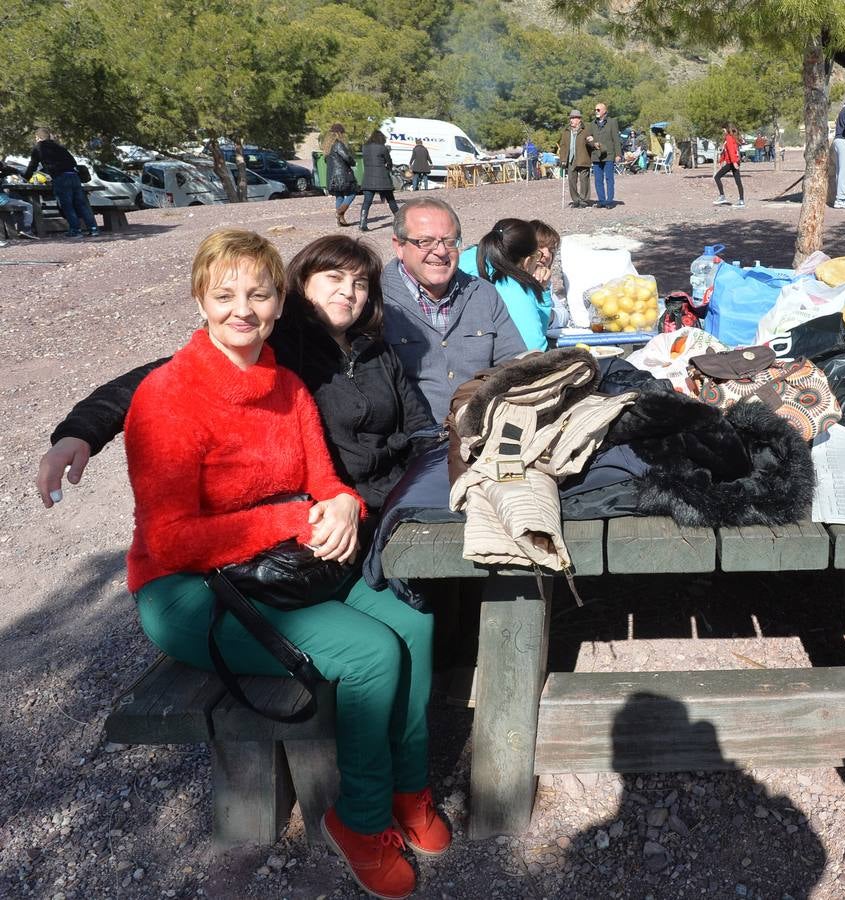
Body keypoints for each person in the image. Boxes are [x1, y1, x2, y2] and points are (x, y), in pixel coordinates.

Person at [117, 229, 449, 900]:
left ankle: (407, 788)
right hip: (187, 589)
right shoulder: (169, 396)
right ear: (200, 300)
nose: (243, 309)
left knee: (414, 625)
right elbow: (173, 540)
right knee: (368, 654)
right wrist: (297, 518)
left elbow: (327, 482)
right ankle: (357, 820)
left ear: (278, 303)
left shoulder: (286, 386)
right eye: (226, 295)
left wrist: (342, 506)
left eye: (258, 295)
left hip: (281, 565)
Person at [38, 233, 442, 526]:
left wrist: (428, 481)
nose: (348, 292)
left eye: (359, 283)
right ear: (300, 286)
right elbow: (159, 377)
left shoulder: (376, 351)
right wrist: (79, 433)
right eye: (333, 279)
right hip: (339, 507)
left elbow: (419, 426)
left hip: (398, 496)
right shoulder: (277, 343)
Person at [380, 197, 527, 421]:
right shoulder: (376, 300)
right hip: (413, 444)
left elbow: (516, 365)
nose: (440, 251)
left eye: (449, 241)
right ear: (399, 246)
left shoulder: (482, 294)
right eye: (425, 242)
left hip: (481, 434)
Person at [458, 218, 554, 351]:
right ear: (527, 262)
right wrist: (541, 291)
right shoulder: (515, 287)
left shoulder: (467, 260)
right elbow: (535, 347)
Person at [22, 128, 97, 238]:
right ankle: (93, 229)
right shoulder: (60, 147)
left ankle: (76, 230)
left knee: (67, 205)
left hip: (61, 178)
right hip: (74, 176)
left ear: (38, 137)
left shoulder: (38, 148)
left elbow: (32, 166)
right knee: (81, 204)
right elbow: (73, 162)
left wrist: (26, 178)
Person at [359, 129, 399, 232]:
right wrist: (388, 168)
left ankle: (362, 223)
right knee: (391, 200)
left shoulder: (364, 147)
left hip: (368, 178)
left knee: (367, 202)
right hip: (382, 178)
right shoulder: (383, 148)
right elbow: (389, 162)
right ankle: (400, 221)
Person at [322, 123, 358, 227]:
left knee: (339, 196)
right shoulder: (338, 144)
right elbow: (346, 157)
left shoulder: (327, 148)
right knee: (352, 193)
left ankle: (341, 220)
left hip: (331, 177)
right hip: (342, 176)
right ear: (339, 134)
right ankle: (340, 213)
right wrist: (353, 162)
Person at [588, 101, 620, 209]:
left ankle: (609, 201)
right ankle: (601, 201)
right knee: (598, 180)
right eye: (595, 110)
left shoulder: (612, 122)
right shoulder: (592, 124)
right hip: (596, 156)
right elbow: (588, 138)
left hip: (609, 155)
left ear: (604, 111)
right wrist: (593, 143)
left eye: (598, 109)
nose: (596, 111)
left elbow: (616, 139)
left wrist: (618, 154)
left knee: (609, 179)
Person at [559, 110, 593, 208]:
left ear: (579, 119)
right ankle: (576, 200)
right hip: (570, 159)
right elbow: (563, 146)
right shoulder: (566, 131)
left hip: (583, 157)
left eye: (574, 118)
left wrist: (591, 141)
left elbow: (591, 142)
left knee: (584, 180)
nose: (571, 120)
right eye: (571, 118)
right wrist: (563, 159)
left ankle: (584, 200)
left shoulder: (586, 129)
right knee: (571, 180)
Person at [713, 125, 746, 208]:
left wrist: (734, 162)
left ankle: (722, 196)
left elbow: (731, 151)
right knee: (738, 181)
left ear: (726, 130)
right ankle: (741, 201)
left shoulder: (729, 137)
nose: (723, 131)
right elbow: (726, 151)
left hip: (732, 162)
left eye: (723, 129)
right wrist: (721, 160)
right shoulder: (731, 137)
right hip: (733, 161)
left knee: (717, 177)